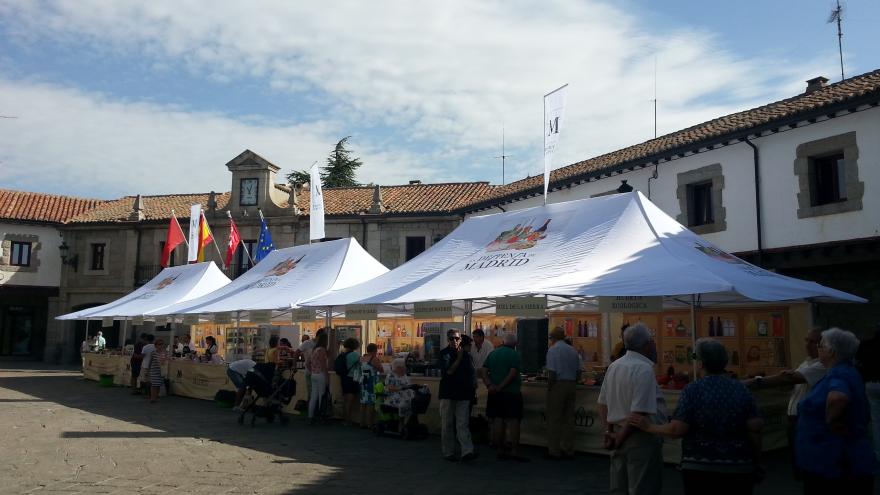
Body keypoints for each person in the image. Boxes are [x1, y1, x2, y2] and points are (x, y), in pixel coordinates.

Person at [630, 338, 764, 495]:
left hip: (700, 468)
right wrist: (758, 462)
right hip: (739, 466)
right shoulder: (741, 389)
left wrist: (648, 426)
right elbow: (755, 428)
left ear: (701, 363)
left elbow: (677, 430)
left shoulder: (693, 390)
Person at [796, 327, 877, 494]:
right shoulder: (845, 371)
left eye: (821, 345)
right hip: (837, 459)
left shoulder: (839, 374)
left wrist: (831, 421)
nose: (818, 348)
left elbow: (838, 398)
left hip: (834, 462)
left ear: (831, 351)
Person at [743, 326, 825, 477]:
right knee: (799, 464)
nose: (807, 344)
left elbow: (790, 378)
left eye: (813, 342)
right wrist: (785, 380)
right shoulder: (807, 363)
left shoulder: (822, 365)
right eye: (807, 340)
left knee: (809, 466)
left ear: (823, 344)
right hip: (795, 420)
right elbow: (790, 382)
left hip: (806, 420)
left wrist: (754, 382)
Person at [597, 323, 666, 495]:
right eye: (652, 341)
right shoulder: (643, 369)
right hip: (639, 437)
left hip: (618, 434)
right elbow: (638, 412)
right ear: (647, 344)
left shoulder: (614, 366)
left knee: (620, 487)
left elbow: (602, 403)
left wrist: (608, 432)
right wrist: (619, 436)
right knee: (642, 488)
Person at [480, 332, 528, 462]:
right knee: (513, 421)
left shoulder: (493, 353)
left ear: (502, 341)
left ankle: (500, 449)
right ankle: (514, 451)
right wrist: (501, 386)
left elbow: (483, 370)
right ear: (515, 344)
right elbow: (513, 373)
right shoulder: (515, 355)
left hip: (495, 394)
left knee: (498, 420)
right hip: (511, 393)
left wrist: (489, 385)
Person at [439, 330, 477, 462]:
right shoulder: (444, 354)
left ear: (460, 339)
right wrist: (459, 357)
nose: (454, 341)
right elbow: (449, 371)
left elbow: (471, 372)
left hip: (463, 393)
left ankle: (467, 451)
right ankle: (448, 452)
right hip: (448, 393)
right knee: (447, 424)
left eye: (456, 338)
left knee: (463, 423)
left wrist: (473, 386)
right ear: (447, 340)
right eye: (451, 339)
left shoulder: (467, 355)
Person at [545, 326, 581, 460]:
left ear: (552, 338)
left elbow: (552, 373)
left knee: (554, 419)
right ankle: (568, 449)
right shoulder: (572, 350)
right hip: (571, 384)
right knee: (569, 419)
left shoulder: (553, 350)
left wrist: (549, 388)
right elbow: (578, 373)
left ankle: (554, 450)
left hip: (558, 385)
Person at [855, 325, 880, 462]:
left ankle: (877, 453)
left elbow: (859, 363)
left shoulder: (865, 345)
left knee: (876, 420)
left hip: (870, 383)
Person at [384, 358, 415, 432]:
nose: (405, 369)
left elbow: (409, 386)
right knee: (405, 403)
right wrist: (401, 388)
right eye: (404, 367)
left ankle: (407, 424)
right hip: (393, 397)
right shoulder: (391, 376)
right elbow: (389, 388)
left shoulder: (404, 376)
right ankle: (401, 425)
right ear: (398, 367)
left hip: (405, 395)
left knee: (414, 403)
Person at [337, 337, 362, 426]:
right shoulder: (355, 355)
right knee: (350, 401)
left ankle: (344, 418)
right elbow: (361, 365)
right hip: (352, 378)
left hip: (344, 378)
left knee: (345, 400)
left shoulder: (342, 354)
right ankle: (347, 420)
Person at [306, 331, 329, 424]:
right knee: (321, 396)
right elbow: (324, 365)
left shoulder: (314, 350)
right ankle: (321, 416)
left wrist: (312, 371)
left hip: (313, 375)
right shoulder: (322, 350)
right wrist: (327, 376)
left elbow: (307, 363)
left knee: (313, 396)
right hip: (321, 374)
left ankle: (310, 416)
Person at [359, 343, 382, 429]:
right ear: (374, 351)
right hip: (371, 382)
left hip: (363, 381)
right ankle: (370, 423)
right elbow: (381, 369)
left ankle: (361, 422)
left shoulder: (362, 358)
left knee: (363, 403)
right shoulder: (374, 359)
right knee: (370, 403)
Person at [148, 338, 167, 403]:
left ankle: (155, 397)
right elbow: (150, 361)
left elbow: (165, 361)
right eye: (159, 344)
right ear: (156, 345)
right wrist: (149, 369)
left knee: (158, 384)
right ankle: (152, 398)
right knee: (154, 385)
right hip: (154, 370)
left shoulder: (164, 353)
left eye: (162, 344)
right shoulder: (153, 353)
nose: (161, 345)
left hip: (160, 371)